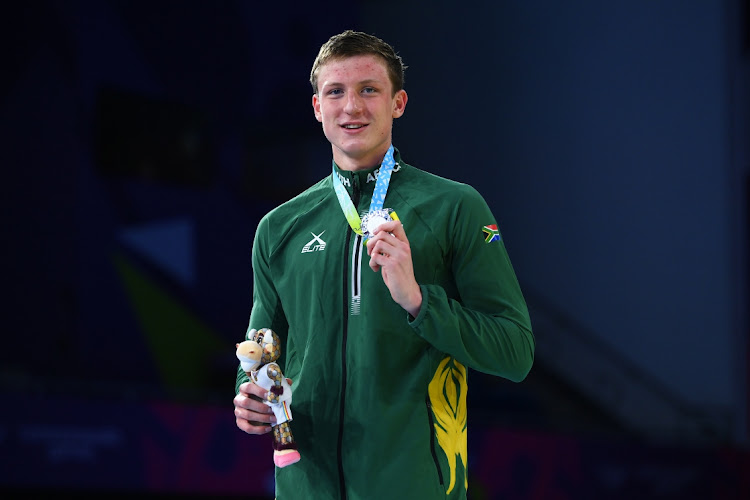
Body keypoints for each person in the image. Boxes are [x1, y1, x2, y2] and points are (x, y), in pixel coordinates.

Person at [233, 29, 535, 500]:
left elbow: (516, 352)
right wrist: (249, 399)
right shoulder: (279, 227)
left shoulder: (453, 207)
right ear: (317, 108)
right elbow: (262, 346)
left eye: (369, 90)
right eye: (336, 91)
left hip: (414, 486)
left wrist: (418, 302)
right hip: (305, 489)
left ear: (398, 103)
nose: (351, 107)